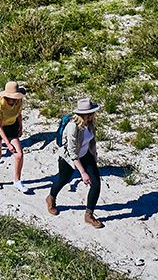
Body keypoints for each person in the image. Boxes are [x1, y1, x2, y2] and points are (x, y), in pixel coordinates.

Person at [46, 97, 104, 228]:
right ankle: (51, 197)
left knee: (96, 184)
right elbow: (72, 152)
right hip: (68, 158)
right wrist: (82, 172)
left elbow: (91, 142)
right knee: (63, 179)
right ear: (82, 114)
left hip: (86, 155)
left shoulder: (90, 123)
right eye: (90, 114)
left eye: (92, 113)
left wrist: (94, 159)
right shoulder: (73, 127)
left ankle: (89, 215)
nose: (92, 115)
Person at [0, 80, 29, 193]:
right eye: (12, 98)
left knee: (19, 155)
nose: (14, 100)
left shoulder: (19, 102)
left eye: (16, 97)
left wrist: (20, 126)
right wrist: (8, 144)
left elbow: (19, 114)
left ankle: (17, 181)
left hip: (12, 126)